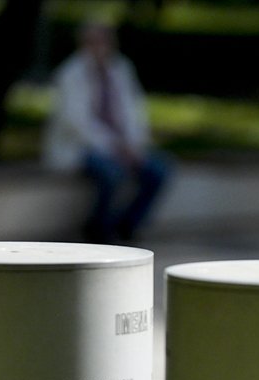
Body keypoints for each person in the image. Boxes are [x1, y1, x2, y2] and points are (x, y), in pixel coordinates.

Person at [42, 20, 170, 243]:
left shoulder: (121, 68)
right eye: (93, 41)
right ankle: (98, 229)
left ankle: (127, 225)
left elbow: (134, 111)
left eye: (104, 40)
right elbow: (77, 123)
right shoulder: (70, 74)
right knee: (111, 173)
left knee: (158, 171)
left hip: (124, 146)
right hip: (82, 147)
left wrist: (134, 144)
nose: (99, 46)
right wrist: (117, 147)